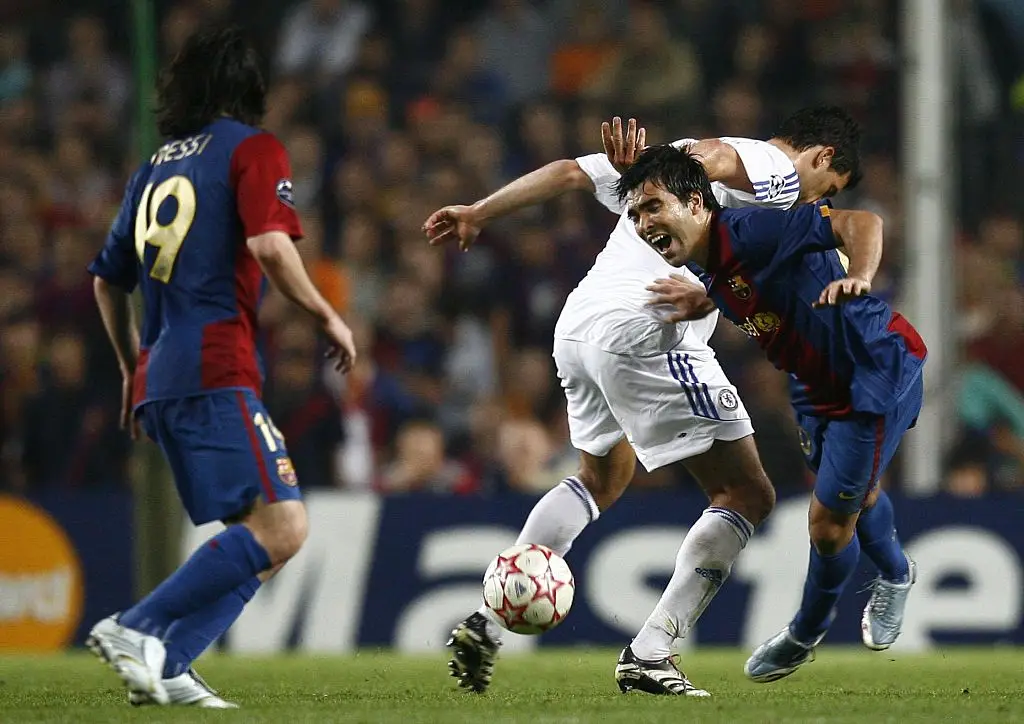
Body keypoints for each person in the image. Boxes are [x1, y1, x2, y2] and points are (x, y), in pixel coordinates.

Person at [424, 108, 861, 695]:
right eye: (827, 191)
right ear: (822, 157)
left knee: (602, 478)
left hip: (578, 329)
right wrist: (681, 175)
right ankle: (652, 651)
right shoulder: (774, 167)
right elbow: (718, 158)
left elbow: (568, 173)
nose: (818, 201)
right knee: (747, 493)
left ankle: (489, 622)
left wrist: (481, 211)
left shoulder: (655, 170)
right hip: (646, 327)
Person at [85, 26, 356, 708]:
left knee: (262, 535)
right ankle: (136, 628)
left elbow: (106, 281)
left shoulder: (153, 168)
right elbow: (269, 244)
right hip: (216, 365)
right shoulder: (253, 148)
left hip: (161, 377)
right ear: (248, 87)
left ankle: (170, 665)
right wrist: (325, 313)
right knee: (285, 525)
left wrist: (128, 368)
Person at [622, 144, 924, 683]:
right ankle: (898, 573)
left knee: (828, 526)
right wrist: (706, 298)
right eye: (636, 215)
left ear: (697, 204)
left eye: (653, 207)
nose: (645, 224)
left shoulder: (750, 230)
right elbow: (747, 279)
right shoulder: (705, 258)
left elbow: (862, 222)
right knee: (862, 494)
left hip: (869, 375)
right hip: (816, 387)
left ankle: (804, 632)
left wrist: (863, 276)